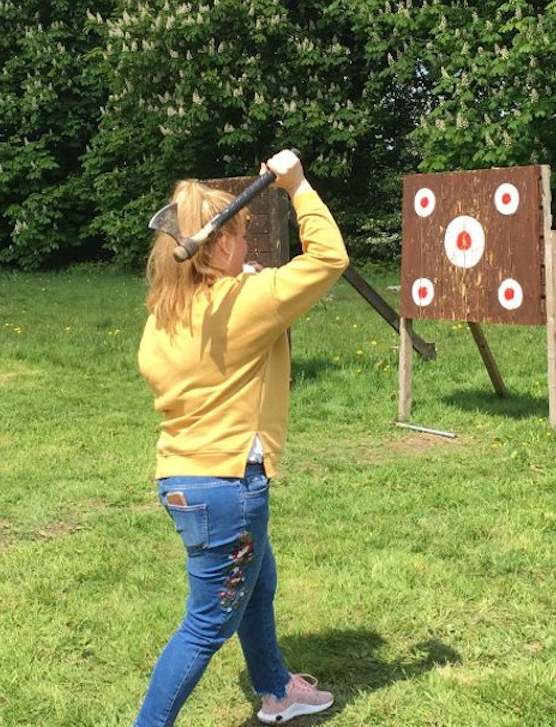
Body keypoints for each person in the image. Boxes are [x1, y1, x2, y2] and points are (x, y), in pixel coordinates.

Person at [133, 149, 349, 726]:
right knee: (205, 625)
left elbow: (214, 323)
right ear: (220, 245)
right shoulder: (245, 301)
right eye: (242, 236)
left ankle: (276, 690)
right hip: (228, 486)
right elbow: (330, 258)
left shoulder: (166, 310)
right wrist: (297, 186)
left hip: (183, 480)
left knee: (259, 578)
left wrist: (239, 288)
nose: (249, 245)